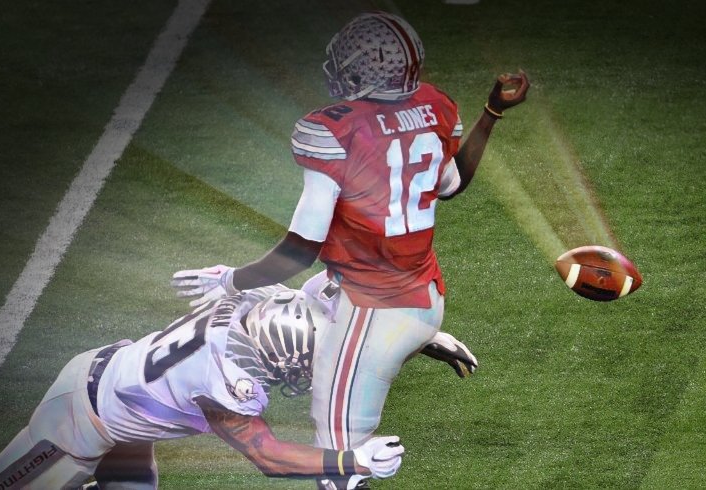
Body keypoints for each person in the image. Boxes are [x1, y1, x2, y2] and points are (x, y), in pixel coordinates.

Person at [171, 11, 528, 489]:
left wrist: (230, 280)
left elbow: (300, 251)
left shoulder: (334, 130)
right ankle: (425, 337)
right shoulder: (435, 105)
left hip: (372, 307)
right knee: (311, 303)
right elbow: (453, 182)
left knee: (339, 463)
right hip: (415, 293)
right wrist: (492, 112)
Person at [0, 287, 406, 490]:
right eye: (304, 362)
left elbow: (325, 301)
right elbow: (269, 457)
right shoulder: (226, 382)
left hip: (127, 407)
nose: (308, 371)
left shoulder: (259, 304)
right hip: (82, 417)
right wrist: (355, 460)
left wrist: (423, 339)